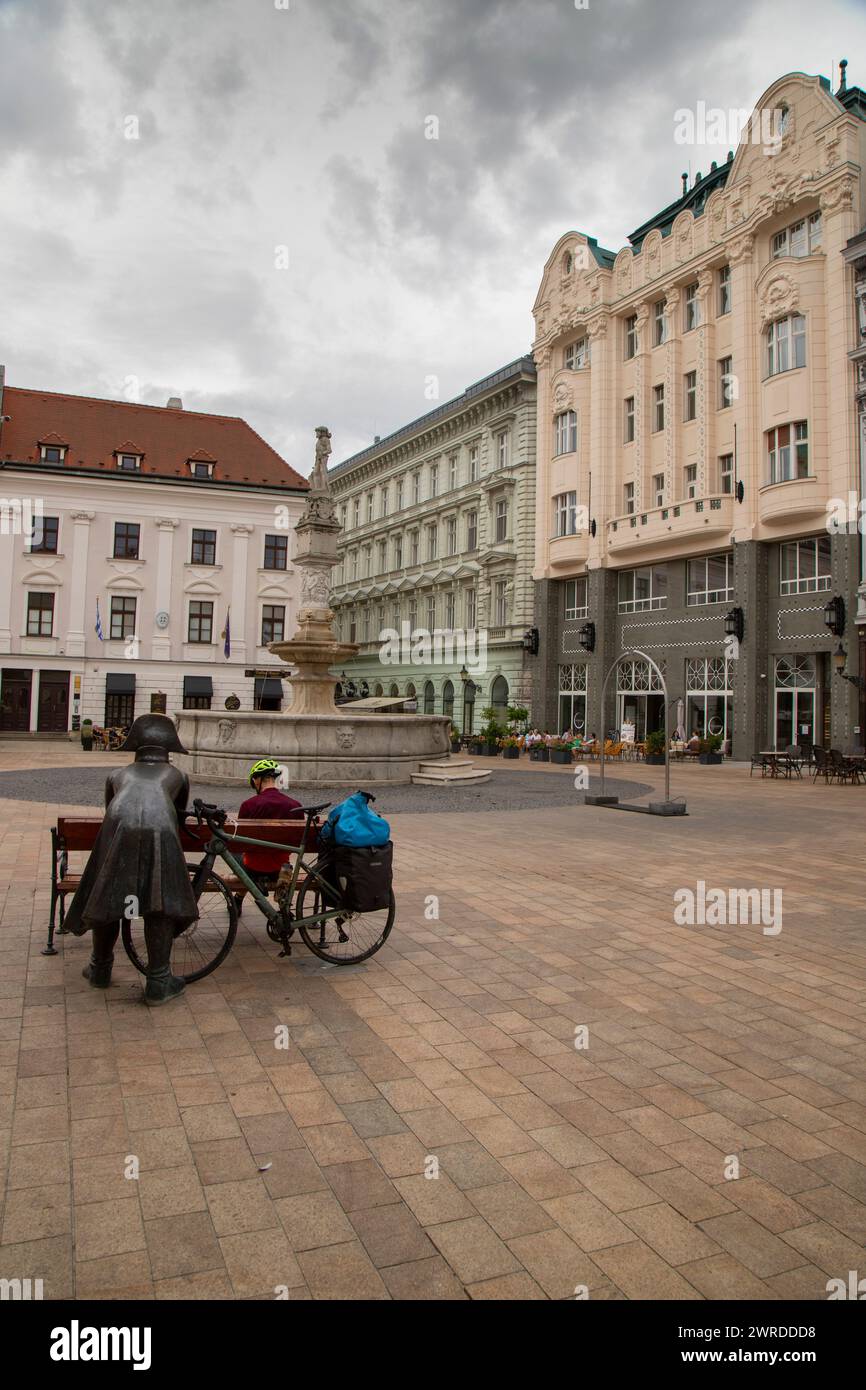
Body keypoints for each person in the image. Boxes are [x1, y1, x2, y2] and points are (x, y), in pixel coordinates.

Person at [64, 713, 197, 1006]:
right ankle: (159, 979)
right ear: (169, 750)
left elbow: (109, 807)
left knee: (109, 894)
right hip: (159, 833)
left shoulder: (117, 775)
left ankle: (100, 966)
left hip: (118, 830)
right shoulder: (177, 776)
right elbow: (179, 813)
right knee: (158, 899)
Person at [237, 759, 303, 884]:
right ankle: (283, 890)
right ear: (274, 780)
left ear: (257, 780)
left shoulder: (248, 805)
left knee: (234, 851)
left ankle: (240, 895)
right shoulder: (295, 805)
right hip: (280, 868)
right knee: (284, 860)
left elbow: (240, 840)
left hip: (252, 868)